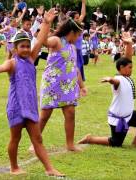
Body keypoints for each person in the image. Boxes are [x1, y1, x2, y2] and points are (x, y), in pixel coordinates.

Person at [0, 9, 64, 177]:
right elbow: (1, 68)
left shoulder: (31, 59)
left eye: (27, 46)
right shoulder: (12, 63)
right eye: (22, 47)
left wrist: (46, 23)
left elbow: (40, 41)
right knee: (15, 139)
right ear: (15, 49)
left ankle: (49, 168)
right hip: (16, 107)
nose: (26, 49)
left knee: (37, 138)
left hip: (30, 107)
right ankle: (14, 166)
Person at [77, 32, 136, 148]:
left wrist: (129, 44)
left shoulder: (126, 76)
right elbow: (116, 82)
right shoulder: (119, 79)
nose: (131, 69)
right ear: (121, 68)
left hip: (129, 115)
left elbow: (128, 58)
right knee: (116, 142)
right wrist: (110, 80)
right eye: (130, 68)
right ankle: (90, 139)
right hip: (118, 118)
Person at [34, 18, 88, 152]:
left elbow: (74, 68)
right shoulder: (57, 41)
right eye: (78, 34)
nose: (79, 38)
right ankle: (35, 143)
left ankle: (70, 144)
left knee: (70, 113)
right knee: (45, 114)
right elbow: (44, 41)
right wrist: (46, 23)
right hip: (52, 84)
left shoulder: (73, 47)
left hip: (68, 85)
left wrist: (82, 86)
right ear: (72, 32)